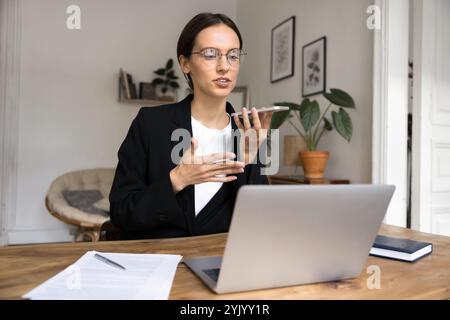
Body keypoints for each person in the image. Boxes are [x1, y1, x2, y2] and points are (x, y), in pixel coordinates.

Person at [109, 13, 273, 239]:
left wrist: (248, 161)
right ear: (185, 63)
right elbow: (121, 212)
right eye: (210, 55)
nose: (224, 66)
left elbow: (261, 223)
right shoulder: (150, 123)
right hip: (156, 259)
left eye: (233, 56)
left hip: (221, 262)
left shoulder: (251, 131)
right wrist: (177, 179)